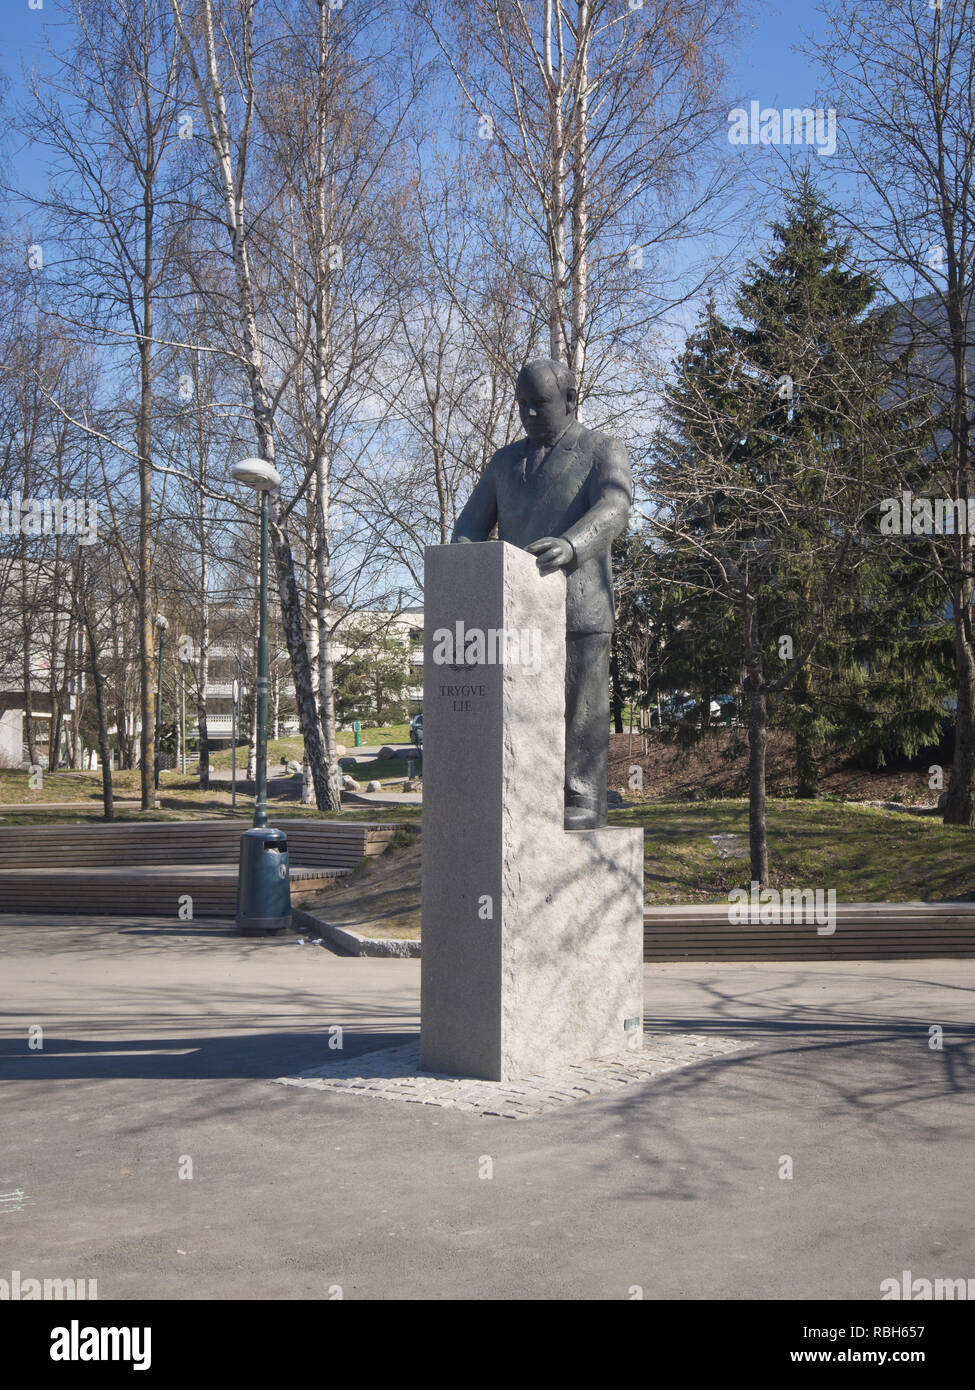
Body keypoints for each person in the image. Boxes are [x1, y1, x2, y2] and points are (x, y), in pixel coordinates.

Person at [451, 357, 631, 829]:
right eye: (522, 404)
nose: (529, 413)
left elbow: (616, 508)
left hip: (581, 606)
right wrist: (463, 562)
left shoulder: (602, 449)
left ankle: (583, 797)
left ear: (570, 400)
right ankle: (527, 792)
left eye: (540, 403)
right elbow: (470, 524)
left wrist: (572, 544)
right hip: (520, 611)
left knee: (580, 710)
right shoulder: (504, 462)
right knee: (523, 709)